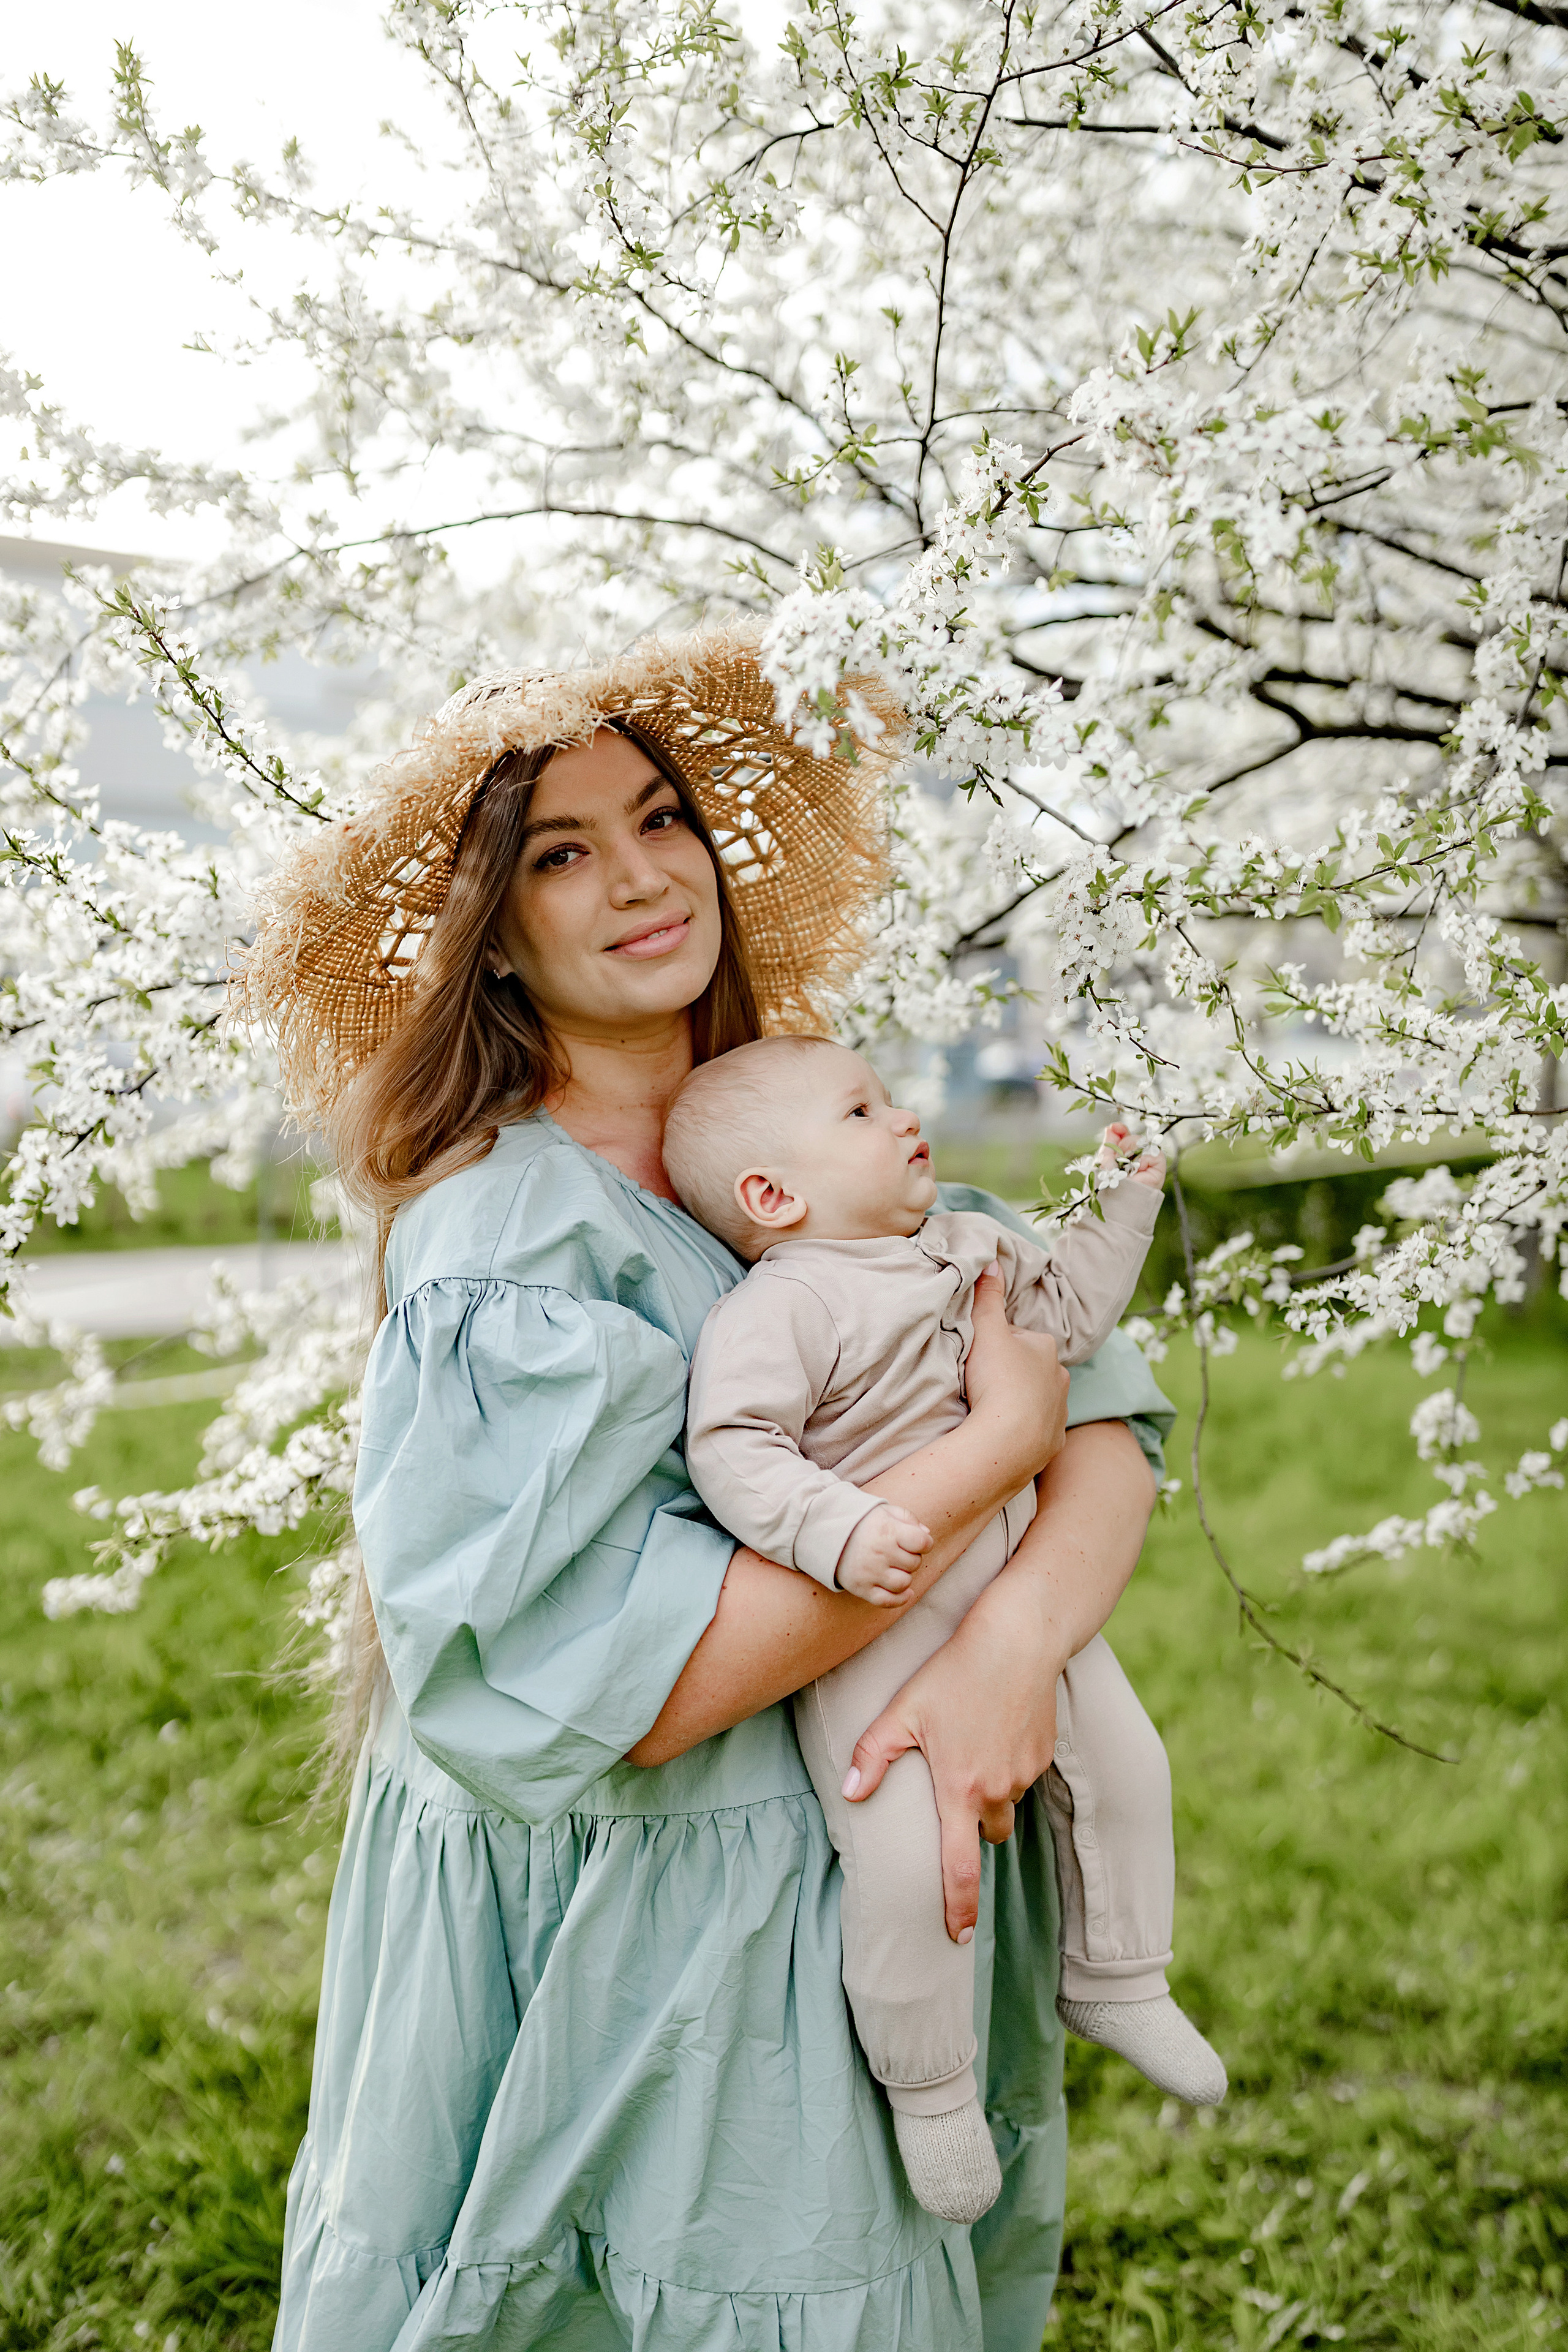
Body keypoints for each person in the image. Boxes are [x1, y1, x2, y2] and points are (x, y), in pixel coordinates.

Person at [245, 624, 1175, 2352]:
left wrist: (1007, 1653)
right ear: (495, 938)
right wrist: (991, 1453)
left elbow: (1096, 1411)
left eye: (662, 819)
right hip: (647, 1920)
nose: (640, 878)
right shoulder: (509, 1239)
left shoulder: (794, 1120)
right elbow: (647, 1685)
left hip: (850, 1829)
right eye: (561, 853)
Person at [665, 1035, 1224, 2225]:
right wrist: (831, 1530)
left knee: (1127, 1767)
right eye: (860, 1111)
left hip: (1010, 1579)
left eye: (889, 1096)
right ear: (775, 1196)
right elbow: (733, 1447)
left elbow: (1065, 1323)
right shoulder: (783, 1306)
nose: (903, 1115)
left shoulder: (965, 1246)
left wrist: (1123, 1201)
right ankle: (929, 2094)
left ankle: (1118, 1974)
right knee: (905, 1864)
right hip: (871, 1623)